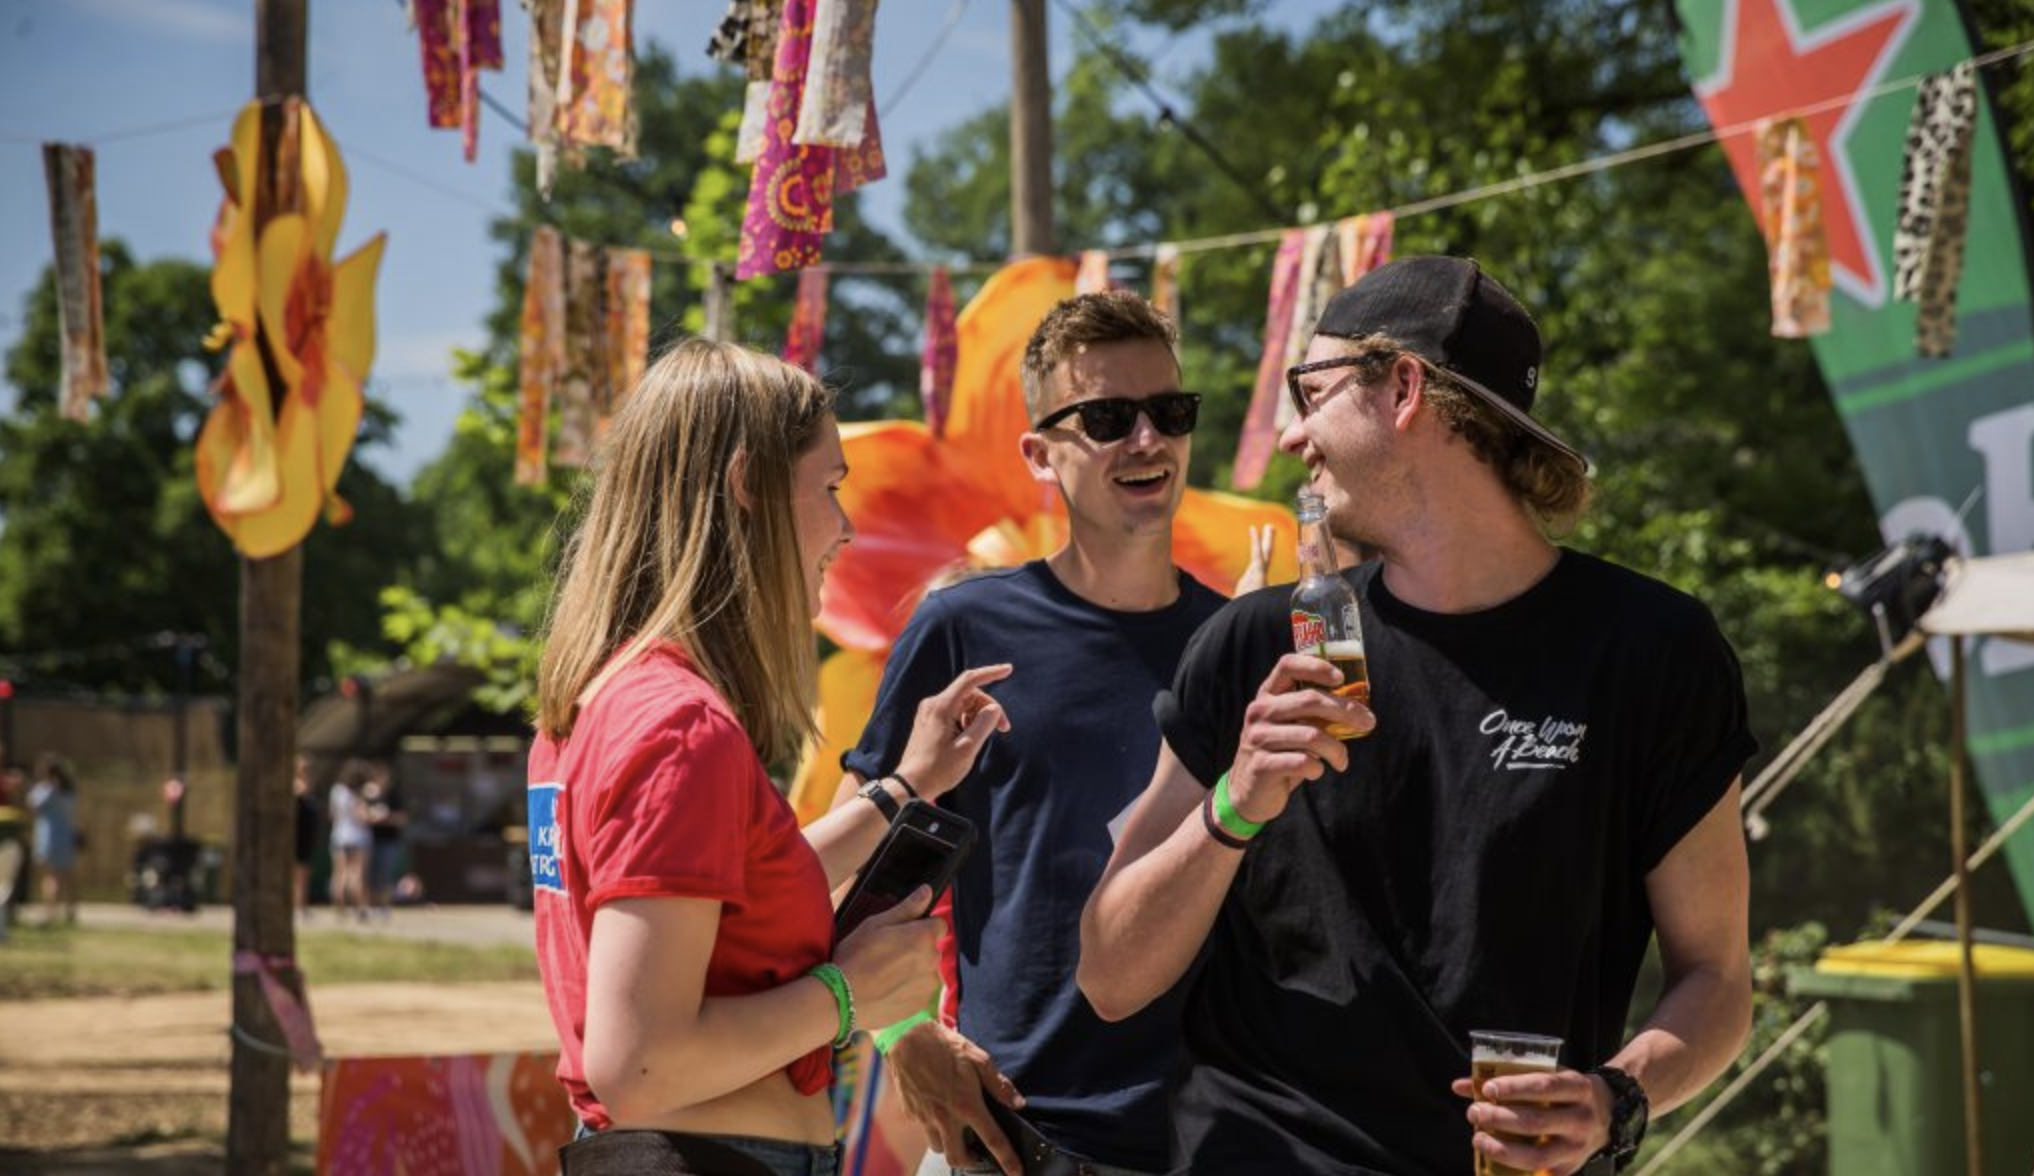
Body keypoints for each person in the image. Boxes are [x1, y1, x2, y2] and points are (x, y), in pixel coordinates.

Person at [1079, 256, 1756, 1176]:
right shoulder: (1257, 644)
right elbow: (1109, 975)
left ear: (1403, 387)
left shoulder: (1651, 649)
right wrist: (1235, 805)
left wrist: (1615, 1099)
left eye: (1308, 394)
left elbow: (1717, 979)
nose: (1291, 438)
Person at [528, 338, 1013, 1176]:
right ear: (747, 485)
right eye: (829, 488)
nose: (847, 526)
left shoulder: (600, 702)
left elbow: (738, 887)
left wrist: (907, 788)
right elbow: (638, 1062)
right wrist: (849, 997)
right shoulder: (680, 729)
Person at [845, 291, 1227, 1176]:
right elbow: (857, 869)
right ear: (1039, 454)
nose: (1147, 441)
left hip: (1213, 1136)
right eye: (1105, 418)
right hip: (1015, 1136)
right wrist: (906, 1034)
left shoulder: (1233, 643)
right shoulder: (963, 631)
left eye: (1169, 412)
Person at [27, 753, 80, 927]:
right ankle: (71, 913)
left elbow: (33, 804)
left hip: (49, 837)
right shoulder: (69, 789)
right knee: (68, 875)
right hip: (66, 836)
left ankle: (49, 914)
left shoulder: (46, 789)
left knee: (51, 877)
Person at [362, 762, 407, 919]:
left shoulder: (393, 796)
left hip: (389, 841)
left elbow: (402, 818)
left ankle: (384, 907)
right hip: (369, 841)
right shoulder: (368, 796)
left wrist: (387, 818)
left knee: (386, 875)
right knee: (369, 876)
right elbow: (360, 815)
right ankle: (370, 907)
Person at [328, 761, 371, 921]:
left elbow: (332, 814)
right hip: (357, 837)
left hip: (339, 835)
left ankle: (339, 908)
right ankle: (360, 908)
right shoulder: (359, 793)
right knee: (357, 875)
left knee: (339, 874)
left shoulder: (336, 791)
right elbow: (362, 816)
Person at [292, 756, 319, 920]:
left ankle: (302, 906)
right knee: (297, 876)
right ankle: (297, 907)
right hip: (297, 836)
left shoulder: (310, 790)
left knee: (304, 875)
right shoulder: (296, 788)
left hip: (307, 836)